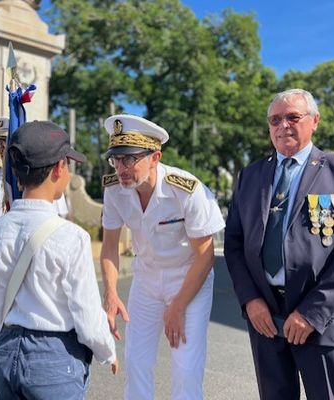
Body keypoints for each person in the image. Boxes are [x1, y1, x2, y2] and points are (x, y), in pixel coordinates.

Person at [224, 88, 334, 399]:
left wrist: (312, 313)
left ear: (315, 121)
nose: (283, 126)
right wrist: (251, 301)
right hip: (266, 320)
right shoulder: (250, 177)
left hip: (324, 323)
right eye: (275, 120)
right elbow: (235, 243)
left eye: (293, 117)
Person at [0, 120, 117, 399]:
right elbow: (86, 313)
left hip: (6, 349)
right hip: (52, 355)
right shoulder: (71, 236)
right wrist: (107, 351)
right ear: (59, 168)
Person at [100, 114, 225, 400]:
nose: (121, 168)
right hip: (146, 279)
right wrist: (110, 293)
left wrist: (178, 306)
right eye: (116, 160)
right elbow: (109, 247)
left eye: (129, 159)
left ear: (155, 157)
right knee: (136, 361)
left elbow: (205, 257)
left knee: (186, 367)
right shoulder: (114, 189)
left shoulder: (185, 190)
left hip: (189, 279)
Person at [0, 116, 71, 400]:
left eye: (8, 143)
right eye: (1, 144)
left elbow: (58, 225)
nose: (3, 150)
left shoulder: (45, 182)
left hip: (35, 270)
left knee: (34, 338)